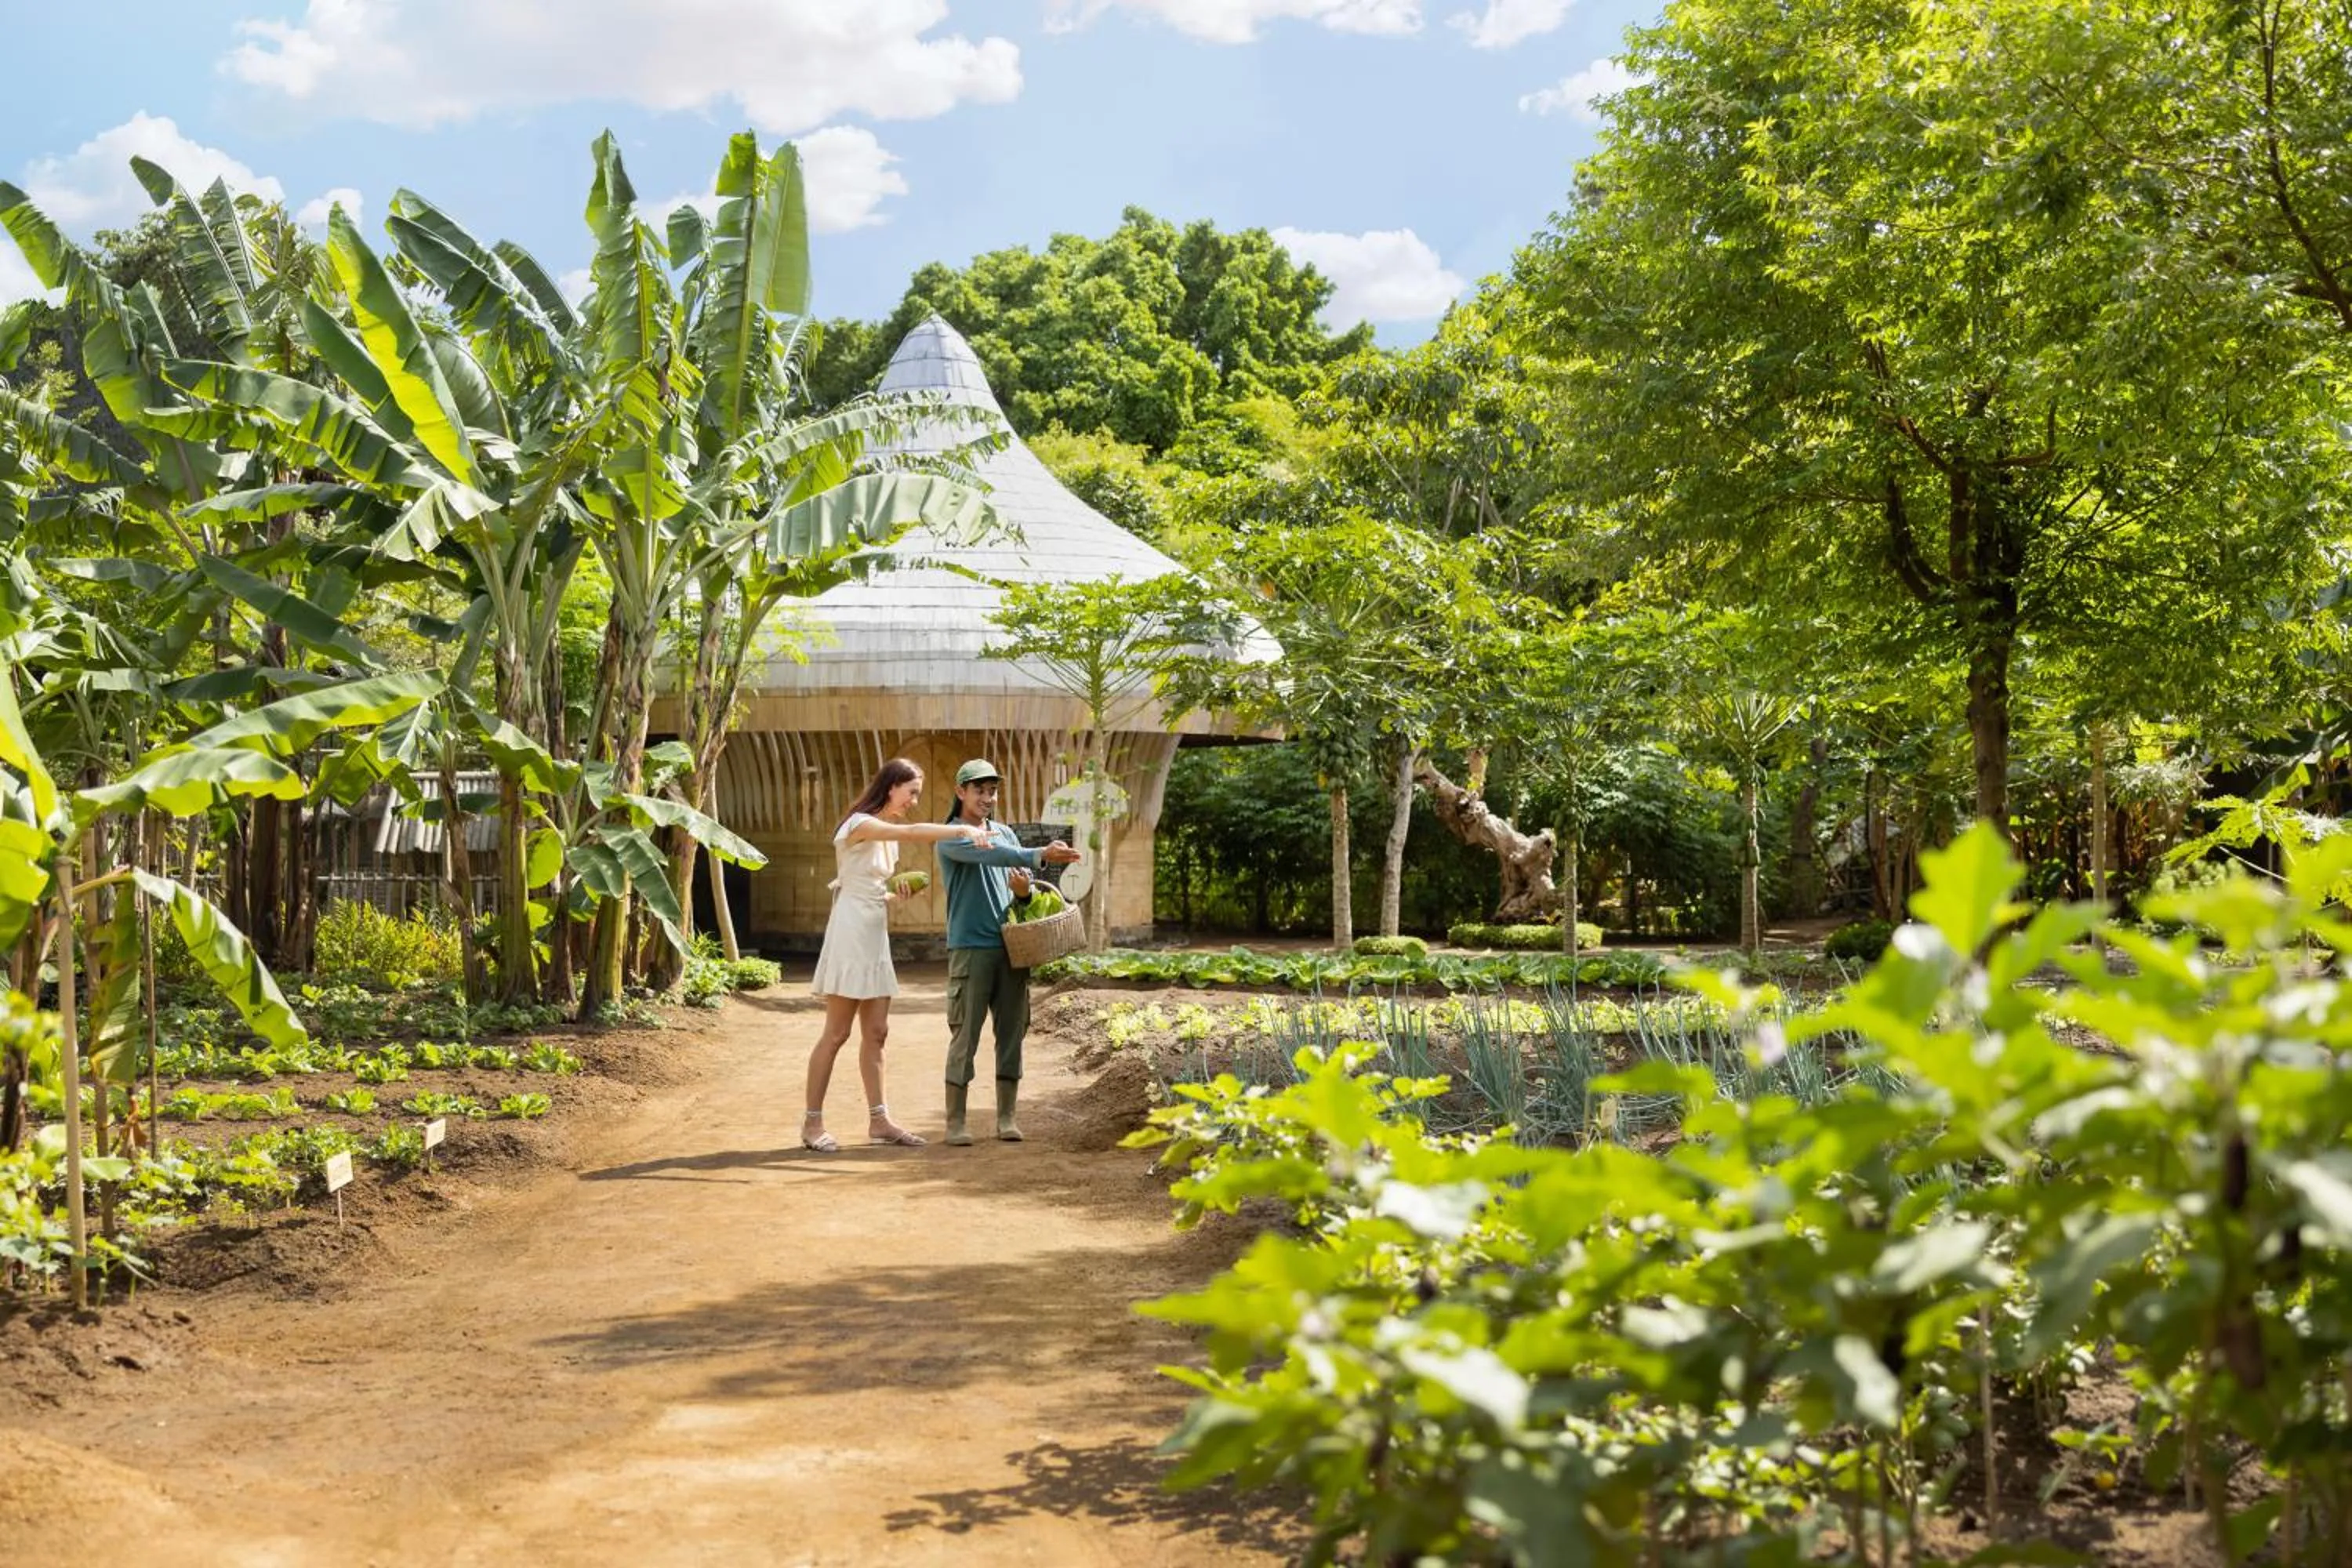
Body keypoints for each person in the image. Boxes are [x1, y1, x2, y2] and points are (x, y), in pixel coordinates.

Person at [804, 758, 994, 1152]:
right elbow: (911, 832)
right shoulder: (861, 823)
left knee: (877, 1032)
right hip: (851, 932)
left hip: (873, 930)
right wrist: (961, 827)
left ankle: (879, 1121)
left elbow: (870, 886)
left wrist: (895, 895)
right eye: (911, 793)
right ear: (890, 787)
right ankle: (812, 1124)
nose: (913, 801)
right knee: (837, 1033)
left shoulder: (883, 834)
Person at [936, 758, 1083, 1146]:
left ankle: (1006, 1118)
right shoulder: (950, 834)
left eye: (992, 791)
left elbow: (1025, 890)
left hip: (1012, 948)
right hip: (970, 948)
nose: (987, 798)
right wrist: (1039, 853)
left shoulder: (1003, 832)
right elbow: (991, 856)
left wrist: (1024, 891)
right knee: (965, 1034)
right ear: (961, 792)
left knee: (1012, 1032)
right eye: (979, 790)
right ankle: (956, 1122)